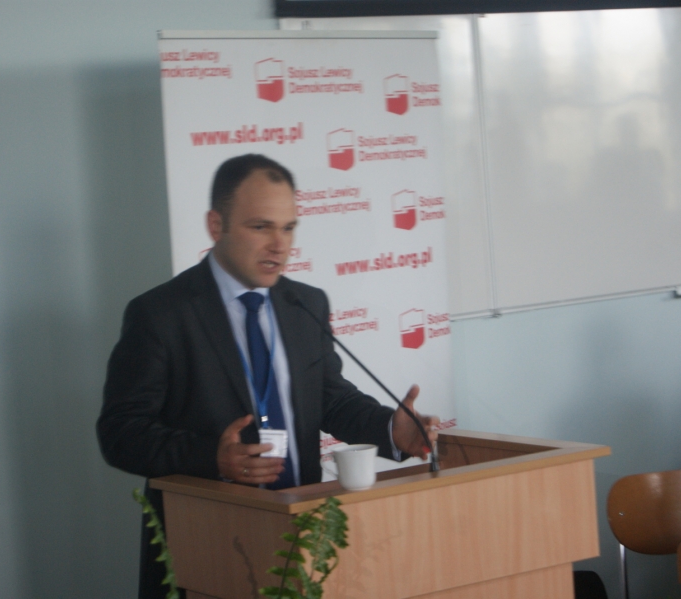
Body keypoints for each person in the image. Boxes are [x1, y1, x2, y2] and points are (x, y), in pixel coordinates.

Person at [97, 154, 438, 599]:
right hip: (207, 545)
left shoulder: (305, 304)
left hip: (303, 540)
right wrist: (210, 457)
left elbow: (330, 399)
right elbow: (120, 432)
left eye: (289, 228)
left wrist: (390, 429)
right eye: (261, 227)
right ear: (215, 225)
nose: (279, 245)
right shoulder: (162, 314)